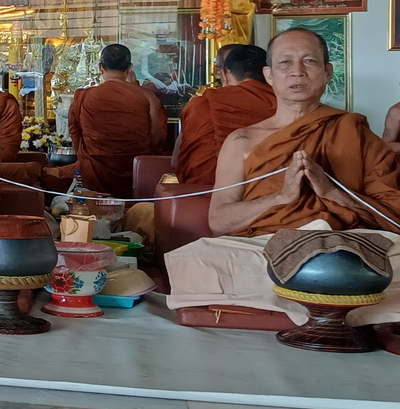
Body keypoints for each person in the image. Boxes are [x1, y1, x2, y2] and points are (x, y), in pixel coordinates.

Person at [165, 29, 400, 325]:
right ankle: (339, 310)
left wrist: (331, 192)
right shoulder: (242, 141)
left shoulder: (356, 133)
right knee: (196, 258)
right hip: (269, 245)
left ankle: (302, 305)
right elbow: (219, 221)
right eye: (285, 63)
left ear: (327, 71)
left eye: (309, 61)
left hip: (348, 245)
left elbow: (392, 217)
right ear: (269, 75)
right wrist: (282, 196)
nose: (297, 71)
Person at [45, 44, 166, 199]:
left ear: (100, 67)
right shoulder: (147, 97)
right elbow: (157, 138)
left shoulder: (85, 96)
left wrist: (86, 157)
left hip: (94, 171)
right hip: (135, 171)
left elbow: (75, 132)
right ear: (129, 68)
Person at [173, 44, 274, 186]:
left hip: (201, 192)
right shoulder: (283, 104)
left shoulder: (200, 104)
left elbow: (175, 161)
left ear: (226, 73)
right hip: (266, 191)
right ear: (269, 73)